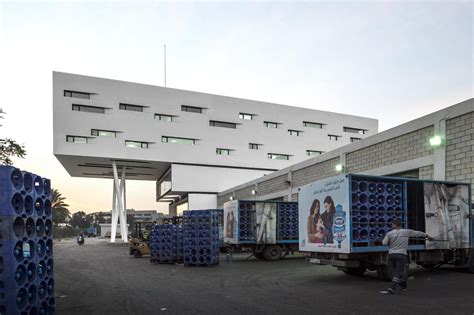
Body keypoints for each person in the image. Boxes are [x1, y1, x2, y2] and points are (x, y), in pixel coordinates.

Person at [381, 220, 433, 294]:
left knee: (398, 270)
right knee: (398, 271)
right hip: (401, 254)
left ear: (394, 225)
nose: (391, 226)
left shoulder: (389, 233)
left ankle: (403, 286)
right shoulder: (406, 232)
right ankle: (392, 287)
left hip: (392, 255)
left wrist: (390, 240)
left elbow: (384, 243)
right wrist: (428, 237)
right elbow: (418, 233)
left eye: (392, 225)